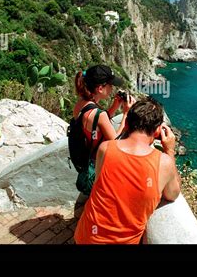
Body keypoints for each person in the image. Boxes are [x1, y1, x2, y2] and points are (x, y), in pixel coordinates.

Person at [74, 97, 181, 244]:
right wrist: (170, 150)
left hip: (85, 237)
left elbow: (101, 184)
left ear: (128, 123)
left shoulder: (105, 149)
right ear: (157, 131)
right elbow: (173, 194)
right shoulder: (163, 163)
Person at [73, 64, 136, 195]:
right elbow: (115, 142)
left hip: (85, 159)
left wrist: (114, 106)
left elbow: (96, 122)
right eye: (110, 85)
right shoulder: (99, 114)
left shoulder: (81, 104)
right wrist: (126, 114)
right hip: (97, 165)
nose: (112, 88)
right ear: (100, 88)